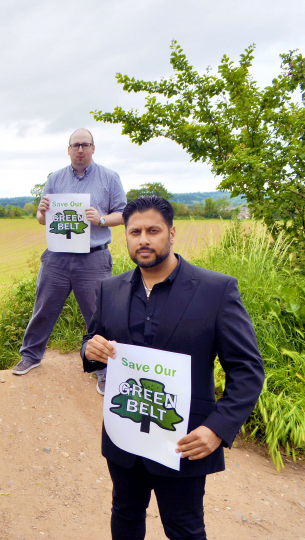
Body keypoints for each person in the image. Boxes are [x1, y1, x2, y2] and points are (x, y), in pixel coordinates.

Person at [82, 196, 264, 540]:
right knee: (125, 513)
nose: (143, 239)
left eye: (153, 230)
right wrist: (90, 349)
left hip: (183, 440)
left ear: (172, 233)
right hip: (125, 433)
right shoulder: (109, 290)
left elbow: (247, 369)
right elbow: (93, 342)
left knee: (184, 527)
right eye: (134, 232)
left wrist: (217, 429)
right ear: (126, 237)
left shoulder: (216, 290)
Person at [12, 128, 126, 395]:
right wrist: (41, 213)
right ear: (68, 149)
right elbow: (43, 219)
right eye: (75, 145)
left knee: (99, 316)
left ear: (93, 148)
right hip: (57, 257)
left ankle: (103, 370)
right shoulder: (55, 178)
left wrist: (99, 219)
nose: (80, 150)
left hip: (94, 257)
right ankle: (31, 356)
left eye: (85, 145)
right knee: (44, 308)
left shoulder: (109, 178)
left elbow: (124, 214)